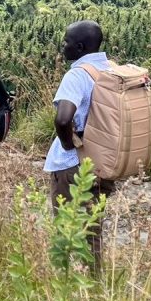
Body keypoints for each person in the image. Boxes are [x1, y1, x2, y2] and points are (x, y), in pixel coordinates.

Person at [44, 19, 115, 261]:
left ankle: (68, 287)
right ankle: (94, 290)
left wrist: (69, 145)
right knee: (92, 230)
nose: (63, 46)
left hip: (73, 165)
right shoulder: (111, 70)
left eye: (67, 42)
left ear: (81, 47)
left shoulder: (76, 76)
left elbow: (63, 120)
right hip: (104, 162)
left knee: (67, 231)